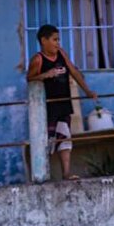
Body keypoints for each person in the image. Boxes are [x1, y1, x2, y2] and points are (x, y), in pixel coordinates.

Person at [26, 24, 98, 180]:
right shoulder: (37, 59)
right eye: (54, 39)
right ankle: (42, 176)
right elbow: (29, 78)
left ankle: (66, 173)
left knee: (65, 138)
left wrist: (87, 91)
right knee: (47, 140)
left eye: (58, 39)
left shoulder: (61, 54)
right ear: (43, 41)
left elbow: (74, 72)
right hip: (48, 106)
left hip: (64, 103)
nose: (58, 43)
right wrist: (46, 74)